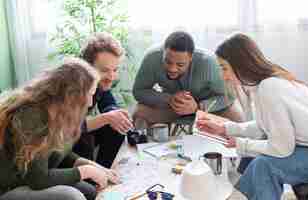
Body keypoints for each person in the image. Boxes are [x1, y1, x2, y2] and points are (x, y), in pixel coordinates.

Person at [196, 33, 308, 200]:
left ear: (241, 64)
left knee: (263, 165)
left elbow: (282, 148)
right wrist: (226, 128)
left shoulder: (269, 87)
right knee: (254, 159)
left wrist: (240, 144)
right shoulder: (263, 84)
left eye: (224, 68)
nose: (223, 76)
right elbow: (263, 125)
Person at [0, 58, 120, 200]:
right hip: (9, 187)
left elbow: (59, 153)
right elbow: (38, 179)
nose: (89, 103)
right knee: (72, 196)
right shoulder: (31, 115)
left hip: (29, 179)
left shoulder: (56, 111)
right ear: (71, 95)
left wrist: (96, 167)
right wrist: (87, 171)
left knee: (89, 191)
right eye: (89, 95)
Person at [133, 31, 243, 129]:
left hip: (207, 109)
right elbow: (138, 91)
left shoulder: (209, 62)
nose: (172, 69)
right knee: (139, 113)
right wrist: (169, 98)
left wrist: (198, 107)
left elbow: (229, 96)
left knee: (236, 116)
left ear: (191, 58)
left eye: (180, 65)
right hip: (171, 108)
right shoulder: (152, 58)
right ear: (163, 52)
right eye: (168, 62)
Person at [73, 33, 134, 168]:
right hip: (63, 144)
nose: (112, 77)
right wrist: (106, 117)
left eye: (115, 69)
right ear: (86, 67)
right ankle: (92, 178)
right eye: (105, 70)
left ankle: (105, 172)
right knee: (84, 140)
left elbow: (108, 104)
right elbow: (70, 128)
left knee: (116, 126)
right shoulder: (73, 85)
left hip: (77, 133)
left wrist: (116, 114)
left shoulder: (99, 82)